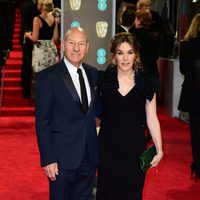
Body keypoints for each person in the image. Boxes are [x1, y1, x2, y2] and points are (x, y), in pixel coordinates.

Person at [35, 27, 100, 200]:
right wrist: (48, 158)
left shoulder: (93, 73)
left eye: (81, 44)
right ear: (63, 44)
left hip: (89, 156)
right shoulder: (47, 77)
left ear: (87, 47)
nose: (76, 48)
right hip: (61, 159)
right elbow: (42, 121)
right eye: (71, 43)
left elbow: (98, 111)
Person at [96, 32, 163, 200]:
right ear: (114, 56)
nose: (125, 58)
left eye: (130, 52)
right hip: (107, 148)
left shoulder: (146, 82)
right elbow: (95, 115)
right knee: (107, 192)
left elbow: (152, 118)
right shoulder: (103, 80)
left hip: (134, 148)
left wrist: (159, 149)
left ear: (136, 55)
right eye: (120, 53)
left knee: (132, 193)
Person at [178, 13, 200, 181]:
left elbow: (183, 70)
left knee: (196, 132)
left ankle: (197, 166)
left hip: (193, 93)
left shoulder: (186, 45)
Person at [24, 0, 59, 99]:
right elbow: (55, 37)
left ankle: (41, 98)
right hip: (51, 49)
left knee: (40, 76)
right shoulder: (54, 19)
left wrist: (27, 35)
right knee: (51, 75)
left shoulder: (37, 19)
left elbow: (35, 38)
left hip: (41, 50)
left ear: (41, 6)